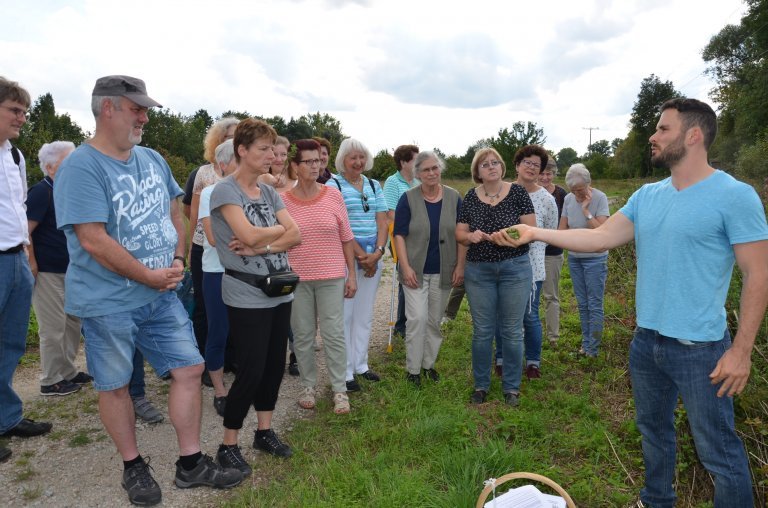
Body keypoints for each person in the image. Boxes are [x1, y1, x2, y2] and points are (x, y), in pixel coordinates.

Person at [501, 98, 768, 508]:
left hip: (702, 350)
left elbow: (758, 274)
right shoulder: (648, 196)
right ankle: (655, 500)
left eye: (663, 129)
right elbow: (599, 238)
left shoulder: (735, 196)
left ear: (693, 135)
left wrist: (742, 351)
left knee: (720, 452)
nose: (653, 135)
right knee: (654, 433)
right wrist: (536, 234)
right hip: (647, 343)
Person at [54, 75, 242, 506]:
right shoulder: (81, 167)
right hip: (107, 302)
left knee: (189, 369)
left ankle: (190, 463)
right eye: (136, 108)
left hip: (160, 292)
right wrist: (147, 274)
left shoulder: (153, 158)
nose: (144, 116)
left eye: (144, 109)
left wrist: (176, 261)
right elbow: (92, 239)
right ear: (108, 109)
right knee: (116, 385)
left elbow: (176, 215)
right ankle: (132, 464)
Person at [210, 118, 301, 475]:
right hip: (246, 293)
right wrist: (272, 235)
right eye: (262, 149)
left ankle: (264, 431)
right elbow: (248, 235)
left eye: (272, 149)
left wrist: (259, 244)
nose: (271, 155)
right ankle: (227, 443)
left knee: (274, 367)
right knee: (250, 369)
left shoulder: (268, 192)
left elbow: (296, 236)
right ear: (242, 151)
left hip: (279, 289)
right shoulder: (225, 191)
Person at [456, 147, 535, 407]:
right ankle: (481, 385)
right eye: (485, 164)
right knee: (482, 331)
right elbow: (460, 234)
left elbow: (530, 230)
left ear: (502, 167)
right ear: (477, 172)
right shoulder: (470, 197)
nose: (491, 167)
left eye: (495, 163)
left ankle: (511, 388)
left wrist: (507, 236)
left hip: (514, 268)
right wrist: (470, 237)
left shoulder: (518, 193)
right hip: (479, 270)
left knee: (512, 330)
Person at [0, 76, 52, 465]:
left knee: (12, 343)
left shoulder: (14, 156)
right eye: (14, 110)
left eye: (24, 111)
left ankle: (6, 417)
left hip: (16, 258)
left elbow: (18, 210)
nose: (22, 118)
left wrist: (28, 257)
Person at [283, 139, 357, 413]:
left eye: (318, 161)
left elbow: (346, 238)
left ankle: (339, 390)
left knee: (333, 333)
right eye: (308, 161)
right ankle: (308, 386)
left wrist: (352, 276)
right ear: (295, 166)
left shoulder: (333, 195)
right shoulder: (282, 201)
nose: (315, 166)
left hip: (332, 276)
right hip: (298, 278)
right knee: (302, 336)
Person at [27, 141, 93, 396]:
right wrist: (32, 263)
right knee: (53, 327)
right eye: (69, 161)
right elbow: (26, 231)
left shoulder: (65, 191)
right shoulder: (42, 192)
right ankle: (50, 379)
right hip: (47, 271)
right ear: (52, 167)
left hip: (70, 269)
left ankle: (67, 372)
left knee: (72, 323)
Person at [393, 151, 464, 386]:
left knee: (434, 321)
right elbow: (399, 235)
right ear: (418, 174)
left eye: (435, 168)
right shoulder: (408, 198)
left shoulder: (454, 198)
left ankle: (428, 365)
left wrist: (460, 266)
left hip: (444, 269)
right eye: (426, 170)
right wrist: (405, 266)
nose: (432, 173)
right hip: (415, 272)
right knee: (416, 319)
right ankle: (412, 370)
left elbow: (461, 234)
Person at [326, 138, 388, 392]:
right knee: (345, 316)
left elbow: (382, 220)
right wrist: (362, 256)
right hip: (346, 259)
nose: (358, 162)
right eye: (353, 157)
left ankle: (361, 364)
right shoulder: (333, 186)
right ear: (343, 159)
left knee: (363, 316)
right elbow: (339, 226)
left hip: (373, 256)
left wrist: (378, 253)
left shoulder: (373, 185)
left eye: (362, 157)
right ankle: (345, 370)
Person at [189, 117, 239, 386]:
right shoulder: (208, 183)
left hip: (241, 268)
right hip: (215, 265)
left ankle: (233, 364)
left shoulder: (251, 188)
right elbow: (206, 229)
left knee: (238, 324)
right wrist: (252, 240)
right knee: (213, 320)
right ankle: (213, 375)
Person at [199, 139, 238, 417]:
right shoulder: (210, 192)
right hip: (216, 273)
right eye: (238, 158)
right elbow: (212, 238)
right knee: (219, 331)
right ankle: (220, 390)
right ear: (223, 164)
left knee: (246, 332)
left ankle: (246, 383)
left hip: (245, 273)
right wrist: (252, 239)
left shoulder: (254, 192)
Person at [511, 146, 558, 379]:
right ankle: (503, 358)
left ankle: (533, 362)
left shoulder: (546, 199)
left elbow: (550, 231)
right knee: (506, 316)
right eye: (527, 163)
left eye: (536, 165)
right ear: (517, 165)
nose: (531, 168)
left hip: (533, 267)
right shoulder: (503, 192)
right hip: (505, 266)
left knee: (529, 316)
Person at [560, 163, 610, 357]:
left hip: (595, 259)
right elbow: (562, 230)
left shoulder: (600, 197)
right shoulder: (567, 198)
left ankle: (593, 349)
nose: (577, 194)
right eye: (573, 190)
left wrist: (586, 210)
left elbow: (602, 231)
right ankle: (586, 344)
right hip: (575, 258)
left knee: (594, 303)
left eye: (580, 190)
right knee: (582, 303)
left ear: (589, 184)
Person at [384, 144, 420, 339]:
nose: (418, 163)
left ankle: (414, 320)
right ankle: (402, 325)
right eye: (415, 159)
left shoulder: (418, 181)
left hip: (419, 238)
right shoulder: (392, 182)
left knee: (418, 278)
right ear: (403, 162)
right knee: (406, 278)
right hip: (400, 237)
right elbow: (391, 214)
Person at [537, 158, 567, 346]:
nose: (545, 177)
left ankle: (553, 336)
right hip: (531, 250)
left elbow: (564, 220)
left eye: (549, 174)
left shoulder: (561, 194)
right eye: (542, 173)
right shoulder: (527, 191)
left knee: (551, 295)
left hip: (553, 251)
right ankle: (523, 332)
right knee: (528, 295)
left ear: (554, 174)